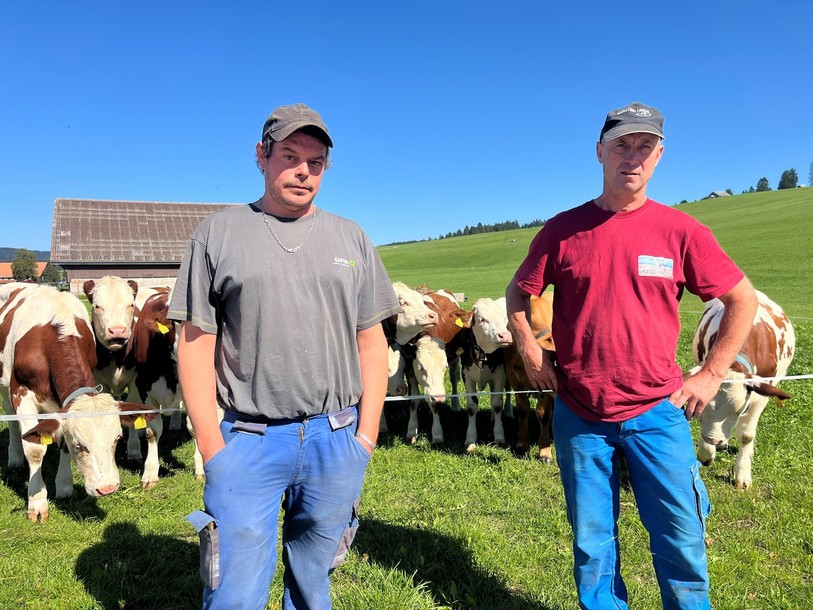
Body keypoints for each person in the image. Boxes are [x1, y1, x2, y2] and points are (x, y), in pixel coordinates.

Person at [506, 101, 758, 609]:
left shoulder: (682, 232)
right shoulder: (562, 230)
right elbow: (518, 293)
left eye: (645, 145)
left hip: (657, 413)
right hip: (580, 414)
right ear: (600, 151)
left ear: (660, 155)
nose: (633, 156)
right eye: (621, 144)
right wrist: (531, 351)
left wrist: (711, 374)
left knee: (681, 539)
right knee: (591, 546)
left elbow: (742, 299)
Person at [169, 103, 400, 609]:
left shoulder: (351, 237)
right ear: (261, 155)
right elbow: (195, 343)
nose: (303, 172)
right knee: (233, 591)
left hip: (335, 438)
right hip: (247, 441)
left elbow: (372, 341)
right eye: (291, 156)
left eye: (316, 162)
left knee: (315, 585)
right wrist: (212, 448)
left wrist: (366, 436)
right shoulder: (219, 233)